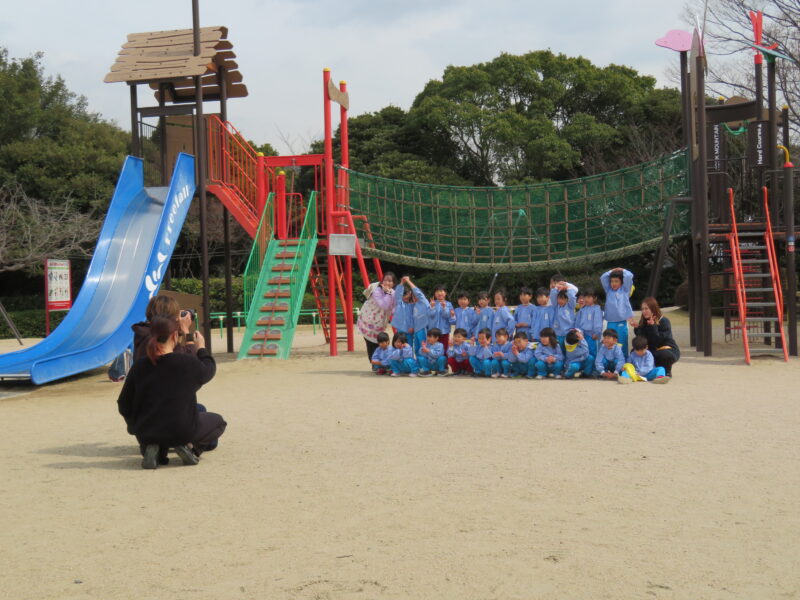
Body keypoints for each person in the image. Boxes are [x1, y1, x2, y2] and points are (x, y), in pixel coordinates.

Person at [117, 316, 226, 469]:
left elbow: (124, 403)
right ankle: (190, 449)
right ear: (175, 336)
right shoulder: (186, 363)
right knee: (219, 421)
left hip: (146, 431)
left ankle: (155, 449)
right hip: (181, 430)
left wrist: (135, 427)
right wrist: (201, 348)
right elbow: (209, 369)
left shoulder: (139, 366)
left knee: (198, 409)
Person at [132, 295, 196, 362]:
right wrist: (186, 330)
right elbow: (191, 359)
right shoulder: (160, 339)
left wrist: (177, 329)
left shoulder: (143, 331)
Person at [630, 296, 680, 377]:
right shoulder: (643, 322)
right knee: (634, 351)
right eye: (642, 309)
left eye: (646, 309)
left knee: (664, 355)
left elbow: (657, 340)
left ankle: (666, 372)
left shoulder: (664, 321)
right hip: (651, 349)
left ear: (653, 309)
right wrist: (637, 328)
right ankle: (641, 371)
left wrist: (653, 326)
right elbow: (642, 341)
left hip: (666, 349)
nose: (644, 311)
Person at [357, 272, 398, 363]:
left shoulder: (393, 293)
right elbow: (384, 305)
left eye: (390, 281)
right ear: (382, 281)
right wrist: (388, 294)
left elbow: (393, 308)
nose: (387, 283)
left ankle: (379, 364)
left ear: (394, 283)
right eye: (385, 280)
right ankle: (374, 364)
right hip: (368, 321)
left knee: (379, 344)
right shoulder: (377, 290)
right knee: (371, 345)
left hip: (380, 323)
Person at [600, 267, 634, 358]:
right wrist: (612, 270)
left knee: (622, 342)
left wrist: (622, 269)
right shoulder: (608, 290)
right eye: (612, 281)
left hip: (621, 321)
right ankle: (611, 360)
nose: (613, 283)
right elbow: (603, 277)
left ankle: (624, 361)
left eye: (616, 281)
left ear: (621, 282)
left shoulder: (625, 289)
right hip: (611, 321)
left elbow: (629, 276)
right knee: (610, 342)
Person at [395, 276, 431, 357]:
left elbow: (418, 292)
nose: (415, 297)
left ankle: (423, 363)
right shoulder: (413, 305)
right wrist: (402, 283)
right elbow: (398, 296)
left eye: (416, 296)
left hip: (422, 329)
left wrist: (408, 281)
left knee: (422, 348)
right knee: (416, 349)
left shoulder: (423, 302)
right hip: (414, 330)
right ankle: (415, 362)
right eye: (413, 296)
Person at [575, 288, 603, 357]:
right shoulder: (582, 310)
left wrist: (597, 333)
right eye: (585, 297)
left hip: (592, 336)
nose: (586, 299)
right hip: (583, 335)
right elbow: (578, 323)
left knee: (593, 352)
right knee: (585, 352)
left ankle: (596, 363)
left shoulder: (597, 308)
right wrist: (577, 332)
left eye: (589, 297)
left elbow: (598, 322)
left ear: (595, 298)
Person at [550, 280, 578, 350]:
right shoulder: (556, 306)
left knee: (568, 351)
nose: (560, 301)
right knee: (558, 350)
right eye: (559, 298)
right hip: (557, 334)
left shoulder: (571, 306)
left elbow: (572, 297)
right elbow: (552, 296)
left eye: (563, 299)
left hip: (568, 334)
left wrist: (568, 288)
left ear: (567, 299)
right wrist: (556, 287)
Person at [429, 285, 456, 352]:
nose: (439, 293)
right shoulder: (432, 303)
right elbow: (431, 315)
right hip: (433, 330)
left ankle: (444, 358)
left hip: (444, 330)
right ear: (434, 294)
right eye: (437, 291)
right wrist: (432, 307)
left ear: (445, 293)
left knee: (445, 347)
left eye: (441, 291)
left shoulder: (449, 304)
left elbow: (447, 316)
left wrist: (444, 307)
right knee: (433, 347)